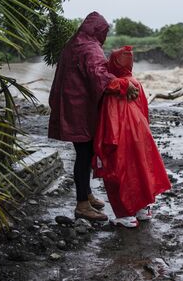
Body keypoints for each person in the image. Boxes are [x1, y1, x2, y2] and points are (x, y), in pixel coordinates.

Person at [48, 12, 139, 222]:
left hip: (70, 106)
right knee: (84, 154)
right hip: (80, 109)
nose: (104, 36)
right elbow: (99, 75)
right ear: (99, 30)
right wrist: (123, 85)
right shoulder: (90, 47)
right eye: (104, 32)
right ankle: (82, 205)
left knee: (84, 152)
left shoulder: (74, 44)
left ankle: (87, 194)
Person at [92, 46, 172, 228]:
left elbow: (109, 117)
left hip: (120, 136)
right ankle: (142, 209)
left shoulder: (114, 88)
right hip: (140, 133)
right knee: (141, 170)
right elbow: (144, 110)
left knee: (119, 173)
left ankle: (125, 215)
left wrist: (102, 145)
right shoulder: (135, 82)